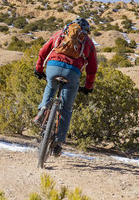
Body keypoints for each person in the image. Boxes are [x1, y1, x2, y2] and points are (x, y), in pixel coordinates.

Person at [33, 17, 97, 156]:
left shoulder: (60, 34)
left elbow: (43, 50)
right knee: (66, 109)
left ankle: (43, 110)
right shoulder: (88, 43)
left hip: (53, 67)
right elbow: (92, 69)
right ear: (86, 31)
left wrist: (38, 69)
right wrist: (88, 87)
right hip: (72, 72)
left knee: (51, 86)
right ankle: (59, 141)